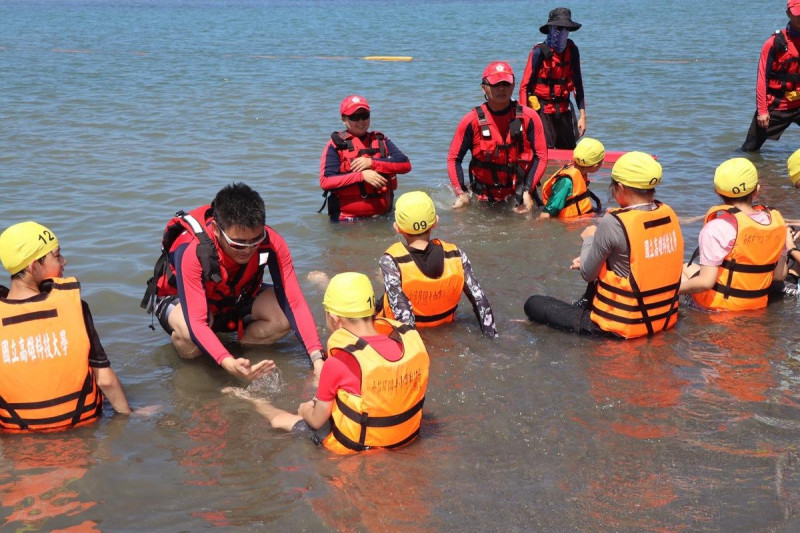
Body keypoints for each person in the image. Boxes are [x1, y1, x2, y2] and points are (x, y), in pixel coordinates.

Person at [224, 272, 430, 454]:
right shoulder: (406, 343)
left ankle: (251, 400)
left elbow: (316, 420)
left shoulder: (339, 361)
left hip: (358, 446)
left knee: (282, 419)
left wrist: (304, 408)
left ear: (334, 318)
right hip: (405, 437)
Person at [141, 182, 324, 380]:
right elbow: (197, 322)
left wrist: (317, 359)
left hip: (232, 294)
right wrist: (226, 362)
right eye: (238, 243)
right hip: (180, 299)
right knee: (189, 331)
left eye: (256, 240)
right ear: (217, 230)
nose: (248, 249)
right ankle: (208, 370)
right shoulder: (193, 251)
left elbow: (294, 302)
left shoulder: (272, 242)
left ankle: (242, 353)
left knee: (282, 317)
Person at [523, 152, 684, 338]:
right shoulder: (668, 214)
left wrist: (590, 238)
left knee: (533, 303)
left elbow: (587, 273)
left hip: (618, 327)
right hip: (663, 319)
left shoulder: (613, 222)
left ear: (621, 188)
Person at [0, 222, 131, 432]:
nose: (64, 261)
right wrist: (128, 415)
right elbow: (104, 379)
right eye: (57, 255)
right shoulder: (75, 306)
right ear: (34, 267)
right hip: (82, 424)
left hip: (19, 435)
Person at [378, 191, 497, 337]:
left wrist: (414, 349)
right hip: (445, 326)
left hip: (410, 338)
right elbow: (480, 300)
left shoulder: (390, 261)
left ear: (397, 227)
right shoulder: (456, 254)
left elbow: (403, 312)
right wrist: (492, 337)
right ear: (435, 221)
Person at [680, 158, 789, 310]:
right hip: (757, 304)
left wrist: (672, 292)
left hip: (720, 307)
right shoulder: (776, 223)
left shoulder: (717, 227)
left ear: (718, 193)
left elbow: (706, 282)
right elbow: (780, 275)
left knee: (681, 270)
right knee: (687, 266)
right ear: (757, 190)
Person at [448, 61, 548, 214]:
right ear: (484, 88)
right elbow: (454, 159)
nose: (501, 89)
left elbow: (541, 156)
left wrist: (528, 190)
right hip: (484, 198)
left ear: (513, 85)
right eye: (495, 84)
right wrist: (460, 193)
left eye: (506, 84)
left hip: (521, 194)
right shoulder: (471, 121)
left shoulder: (530, 117)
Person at [319, 95, 412, 221]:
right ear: (344, 119)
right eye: (355, 117)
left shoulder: (381, 140)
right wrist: (362, 176)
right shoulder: (335, 145)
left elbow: (405, 165)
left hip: (383, 217)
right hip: (346, 221)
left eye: (365, 115)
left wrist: (372, 163)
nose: (361, 121)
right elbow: (325, 181)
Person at [519, 7, 586, 149]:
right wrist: (524, 119)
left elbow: (578, 85)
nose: (563, 32)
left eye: (566, 29)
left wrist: (583, 117)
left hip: (564, 111)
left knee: (569, 154)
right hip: (542, 112)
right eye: (559, 28)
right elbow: (524, 87)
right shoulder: (538, 52)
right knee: (545, 152)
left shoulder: (572, 50)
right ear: (551, 29)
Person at [741, 1, 800, 152]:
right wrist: (762, 111)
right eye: (797, 14)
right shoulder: (773, 43)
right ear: (788, 13)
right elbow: (762, 79)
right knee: (749, 150)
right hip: (776, 105)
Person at [539, 137, 604, 220]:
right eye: (601, 161)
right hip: (568, 224)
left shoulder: (579, 173)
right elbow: (546, 214)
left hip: (581, 218)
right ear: (595, 166)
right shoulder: (566, 182)